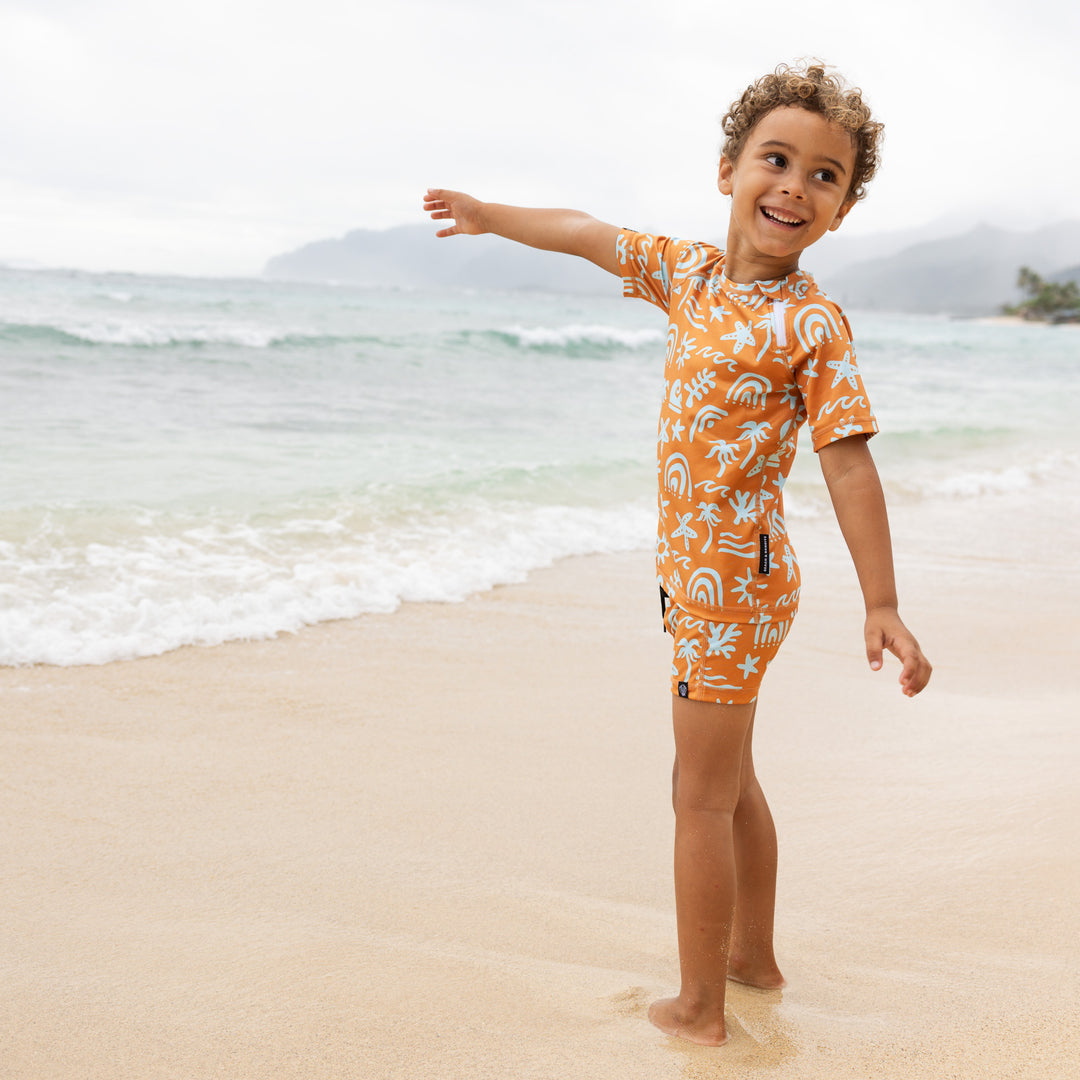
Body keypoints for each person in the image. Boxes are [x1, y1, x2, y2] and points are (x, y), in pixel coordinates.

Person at [423, 61, 932, 1047]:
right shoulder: (690, 276)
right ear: (729, 171)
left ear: (841, 210)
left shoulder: (812, 324)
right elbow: (584, 233)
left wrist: (883, 601)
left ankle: (701, 1011)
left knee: (694, 793)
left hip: (733, 586)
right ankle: (751, 961)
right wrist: (489, 214)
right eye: (774, 160)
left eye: (824, 176)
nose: (793, 186)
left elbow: (850, 464)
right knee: (729, 781)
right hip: (704, 579)